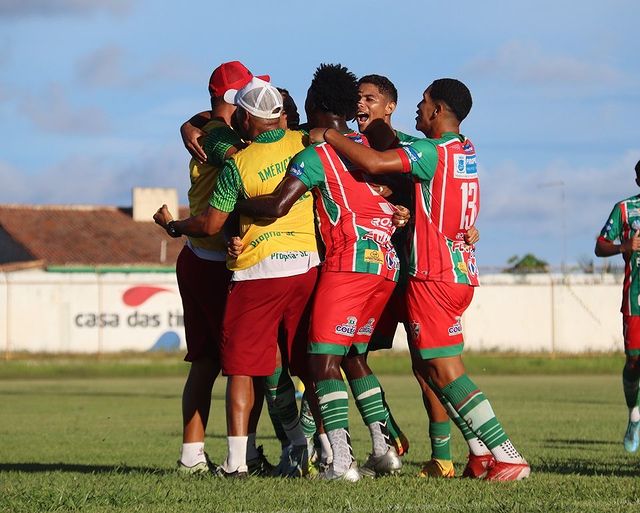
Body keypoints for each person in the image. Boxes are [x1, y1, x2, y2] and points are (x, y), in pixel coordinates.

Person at [310, 78, 531, 481]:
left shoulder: (430, 151)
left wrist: (327, 134)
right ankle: (480, 454)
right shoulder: (465, 149)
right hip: (460, 270)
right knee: (432, 369)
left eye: (424, 102)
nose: (418, 107)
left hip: (434, 274)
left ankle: (508, 455)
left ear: (437, 111)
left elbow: (377, 162)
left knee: (446, 371)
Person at [234, 63, 408, 481]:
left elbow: (276, 206)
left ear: (313, 104)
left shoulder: (317, 154)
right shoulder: (367, 146)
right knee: (351, 355)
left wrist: (232, 205)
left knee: (320, 361)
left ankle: (342, 462)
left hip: (348, 262)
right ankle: (383, 450)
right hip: (385, 263)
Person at [155, 77, 320, 477]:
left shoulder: (231, 155)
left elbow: (213, 220)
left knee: (232, 363)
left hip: (240, 267)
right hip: (294, 266)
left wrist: (175, 225)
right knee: (294, 364)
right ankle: (326, 452)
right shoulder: (302, 144)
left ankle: (227, 458)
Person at [356, 74, 484, 479]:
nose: (360, 105)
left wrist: (413, 212)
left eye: (369, 98)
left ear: (388, 107)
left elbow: (442, 195)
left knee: (427, 365)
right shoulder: (346, 146)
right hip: (372, 269)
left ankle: (445, 455)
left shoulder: (417, 147)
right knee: (349, 353)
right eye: (356, 98)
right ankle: (388, 433)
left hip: (415, 267)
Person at [171, 60, 271, 475]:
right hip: (216, 263)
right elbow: (251, 155)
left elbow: (205, 120)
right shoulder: (223, 139)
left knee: (208, 362)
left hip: (198, 256)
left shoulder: (208, 129)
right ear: (234, 100)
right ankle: (241, 454)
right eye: (249, 95)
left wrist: (189, 123)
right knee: (245, 364)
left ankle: (193, 455)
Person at [595, 159, 640, 453]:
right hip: (635, 298)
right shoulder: (625, 209)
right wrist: (625, 247)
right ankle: (634, 417)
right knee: (634, 361)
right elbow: (600, 245)